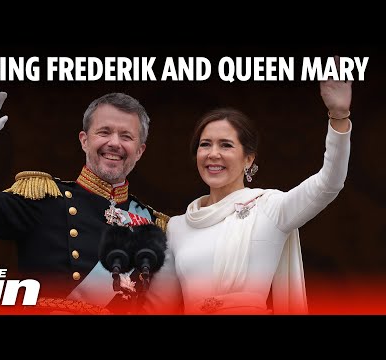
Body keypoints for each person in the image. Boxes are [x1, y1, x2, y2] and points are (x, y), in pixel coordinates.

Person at [145, 57, 352, 315]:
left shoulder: (270, 207)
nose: (213, 154)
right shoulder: (178, 226)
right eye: (205, 144)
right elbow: (158, 306)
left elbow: (329, 183)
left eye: (226, 145)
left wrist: (339, 117)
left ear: (248, 158)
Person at [0, 87, 175, 314]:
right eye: (104, 132)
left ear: (140, 151)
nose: (114, 143)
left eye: (126, 136)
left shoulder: (153, 227)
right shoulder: (45, 199)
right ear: (84, 140)